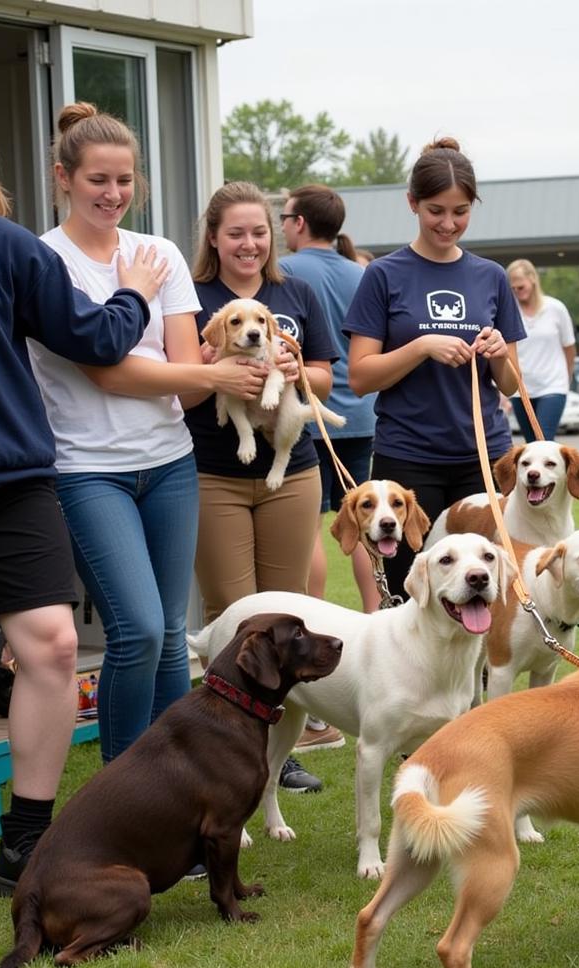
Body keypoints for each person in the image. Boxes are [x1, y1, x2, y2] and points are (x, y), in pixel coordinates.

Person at [26, 104, 263, 768]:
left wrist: (214, 372)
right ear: (63, 177)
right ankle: (125, 790)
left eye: (125, 180)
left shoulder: (158, 253)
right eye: (98, 179)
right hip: (86, 470)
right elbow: (105, 372)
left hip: (169, 464)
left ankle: (176, 787)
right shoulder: (47, 260)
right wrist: (142, 315)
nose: (113, 194)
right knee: (135, 630)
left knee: (166, 637)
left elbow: (187, 382)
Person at [0, 138, 167, 894]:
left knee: (57, 647)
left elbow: (93, 338)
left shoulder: (8, 246)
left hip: (12, 480)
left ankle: (26, 840)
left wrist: (130, 293)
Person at [187, 180, 336, 793]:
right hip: (213, 473)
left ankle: (283, 749)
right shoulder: (193, 296)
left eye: (259, 233)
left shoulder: (293, 292)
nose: (249, 244)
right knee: (230, 616)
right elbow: (185, 382)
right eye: (235, 233)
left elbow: (327, 378)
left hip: (290, 471)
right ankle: (224, 749)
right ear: (214, 239)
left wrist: (303, 371)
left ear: (272, 236)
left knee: (287, 616)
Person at [344, 137, 524, 598]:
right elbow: (360, 377)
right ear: (412, 204)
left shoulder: (491, 276)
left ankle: (482, 677)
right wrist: (421, 346)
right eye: (436, 211)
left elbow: (511, 384)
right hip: (409, 461)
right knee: (413, 598)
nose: (448, 223)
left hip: (483, 458)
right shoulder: (383, 274)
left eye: (460, 211)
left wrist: (499, 352)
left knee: (490, 592)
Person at [280, 183, 368, 754]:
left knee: (310, 526)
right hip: (361, 414)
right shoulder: (361, 271)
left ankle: (312, 651)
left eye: (283, 216)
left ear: (299, 222)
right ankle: (377, 633)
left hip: (307, 417)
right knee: (360, 523)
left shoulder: (284, 272)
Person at [506, 258, 576, 441]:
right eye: (512, 289)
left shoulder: (556, 308)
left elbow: (569, 348)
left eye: (520, 287)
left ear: (533, 280)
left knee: (543, 440)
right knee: (532, 445)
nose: (517, 292)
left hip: (552, 386)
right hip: (521, 389)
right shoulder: (508, 311)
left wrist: (565, 379)